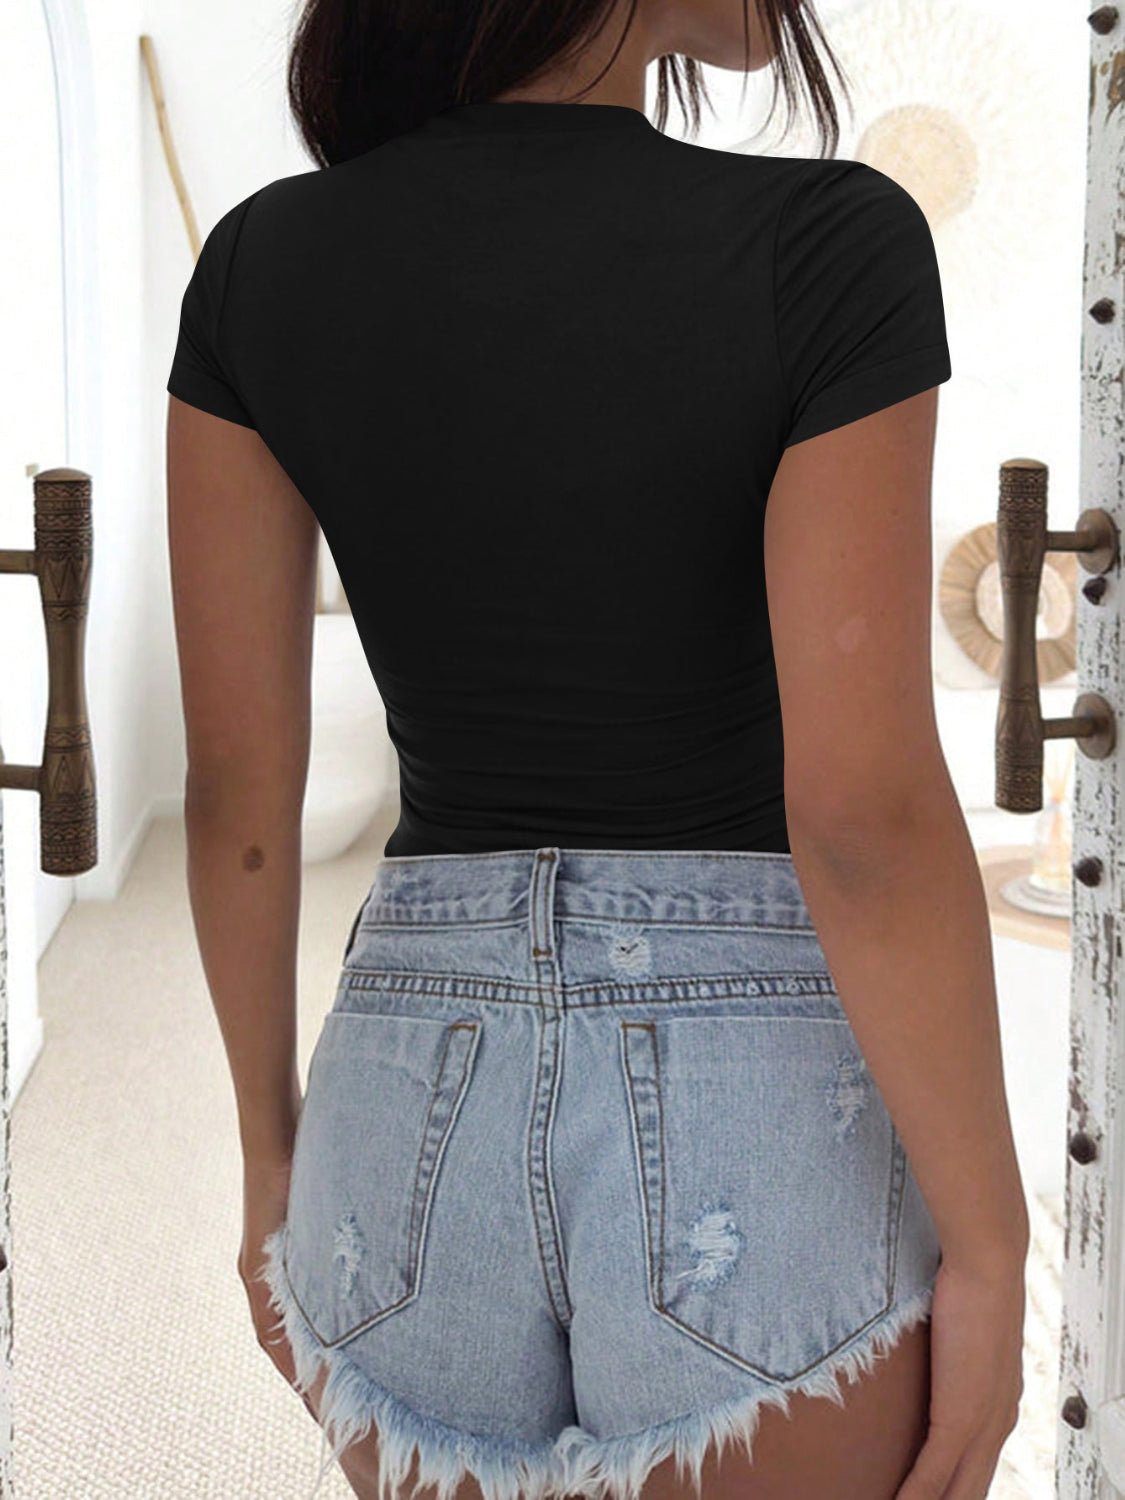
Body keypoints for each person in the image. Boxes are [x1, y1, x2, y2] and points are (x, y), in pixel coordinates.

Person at [164, 0, 1029, 1496]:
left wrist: (268, 1154)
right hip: (751, 1069)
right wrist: (997, 1244)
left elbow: (239, 794)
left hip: (404, 1068)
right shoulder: (826, 240)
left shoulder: (259, 260)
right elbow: (861, 814)